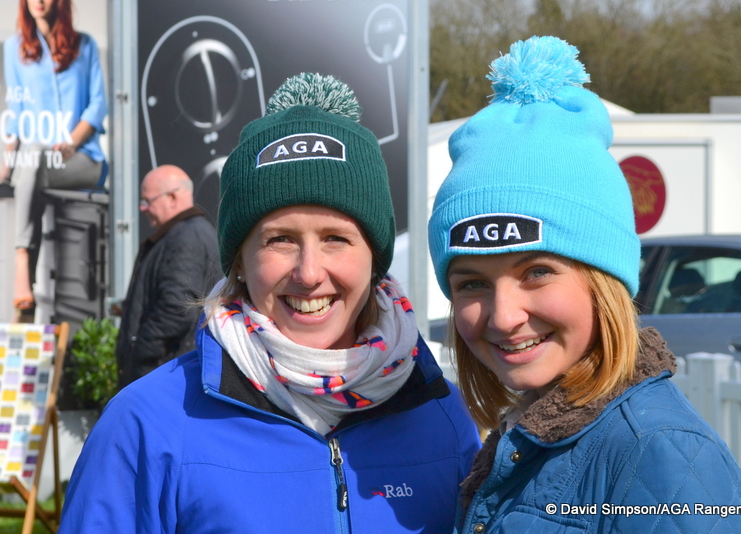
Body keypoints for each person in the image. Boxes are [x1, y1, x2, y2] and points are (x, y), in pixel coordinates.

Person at [60, 73, 481, 532]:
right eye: (279, 239)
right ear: (239, 260)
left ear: (375, 258)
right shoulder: (145, 426)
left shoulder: (442, 418)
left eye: (336, 239)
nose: (309, 272)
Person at [427, 36, 741, 533]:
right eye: (471, 284)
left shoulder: (662, 454)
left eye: (536, 272)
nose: (502, 316)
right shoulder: (526, 434)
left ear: (603, 282)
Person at [1, 0, 107, 317]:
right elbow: (17, 114)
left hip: (83, 159)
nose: (39, 1)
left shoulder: (84, 45)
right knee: (31, 159)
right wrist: (6, 163)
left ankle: (23, 259)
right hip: (38, 163)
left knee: (31, 163)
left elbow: (98, 104)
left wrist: (71, 143)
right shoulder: (13, 49)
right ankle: (26, 283)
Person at [114, 164, 221, 389]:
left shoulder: (187, 236)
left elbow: (177, 307)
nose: (143, 209)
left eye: (147, 201)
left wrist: (140, 352)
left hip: (165, 374)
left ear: (172, 197)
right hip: (166, 370)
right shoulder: (184, 233)